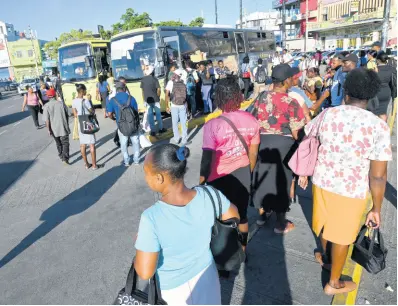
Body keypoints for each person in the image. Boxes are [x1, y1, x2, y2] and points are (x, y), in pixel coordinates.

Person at [298, 68, 391, 295]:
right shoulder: (378, 127)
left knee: (324, 223)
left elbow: (307, 134)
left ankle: (328, 259)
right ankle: (334, 283)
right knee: (342, 236)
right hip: (351, 189)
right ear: (369, 96)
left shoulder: (329, 114)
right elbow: (378, 175)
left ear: (346, 91)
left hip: (321, 181)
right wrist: (376, 208)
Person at [135, 144, 240, 304]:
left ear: (159, 178)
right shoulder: (209, 193)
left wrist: (141, 245)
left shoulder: (151, 218)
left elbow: (144, 272)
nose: (145, 178)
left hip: (174, 292)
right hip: (208, 278)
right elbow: (234, 214)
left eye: (146, 173)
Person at [200, 77, 260, 262]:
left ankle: (223, 255)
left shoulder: (212, 124)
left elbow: (207, 159)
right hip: (242, 173)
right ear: (239, 96)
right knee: (242, 216)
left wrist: (202, 182)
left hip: (218, 177)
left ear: (218, 98)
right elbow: (253, 153)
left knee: (220, 218)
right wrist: (248, 174)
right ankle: (243, 250)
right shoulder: (251, 120)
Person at [251, 64, 305, 234]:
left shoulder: (260, 97)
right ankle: (280, 224)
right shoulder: (291, 102)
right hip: (284, 146)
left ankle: (261, 216)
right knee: (281, 182)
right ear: (287, 80)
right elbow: (297, 133)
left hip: (261, 144)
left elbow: (252, 119)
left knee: (263, 178)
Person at [107, 82, 140, 166]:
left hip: (121, 126)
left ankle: (126, 161)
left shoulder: (113, 100)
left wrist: (114, 119)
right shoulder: (131, 98)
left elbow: (109, 114)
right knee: (135, 142)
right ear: (125, 89)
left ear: (116, 90)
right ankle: (136, 160)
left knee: (123, 143)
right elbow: (136, 112)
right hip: (133, 124)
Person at [72, 84, 100, 170]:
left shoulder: (74, 101)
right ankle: (94, 165)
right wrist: (90, 103)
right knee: (91, 144)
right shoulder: (86, 101)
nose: (86, 91)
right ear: (82, 91)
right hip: (88, 124)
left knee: (82, 145)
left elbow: (75, 114)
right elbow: (92, 112)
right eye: (85, 90)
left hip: (81, 124)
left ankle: (87, 164)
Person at [43, 93, 70, 165]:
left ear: (48, 97)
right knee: (65, 143)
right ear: (55, 96)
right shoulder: (61, 104)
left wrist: (48, 129)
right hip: (63, 127)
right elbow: (69, 114)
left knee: (58, 143)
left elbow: (47, 120)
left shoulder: (46, 106)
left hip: (54, 129)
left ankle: (61, 155)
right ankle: (65, 158)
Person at [140, 66, 166, 136]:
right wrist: (158, 96)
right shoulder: (155, 79)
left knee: (150, 116)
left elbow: (142, 91)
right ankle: (161, 129)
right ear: (152, 72)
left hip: (147, 100)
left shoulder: (143, 80)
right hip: (155, 100)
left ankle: (153, 131)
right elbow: (159, 90)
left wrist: (144, 100)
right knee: (158, 115)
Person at [166, 71, 189, 145]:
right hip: (183, 105)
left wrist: (167, 105)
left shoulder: (170, 82)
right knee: (184, 122)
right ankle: (184, 140)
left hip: (174, 105)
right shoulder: (183, 81)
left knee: (175, 122)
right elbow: (186, 95)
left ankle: (176, 139)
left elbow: (167, 94)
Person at [374, 51, 397, 122]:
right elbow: (394, 82)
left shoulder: (375, 69)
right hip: (387, 92)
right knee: (383, 112)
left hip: (375, 93)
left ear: (378, 60)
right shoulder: (392, 69)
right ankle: (383, 128)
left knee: (374, 113)